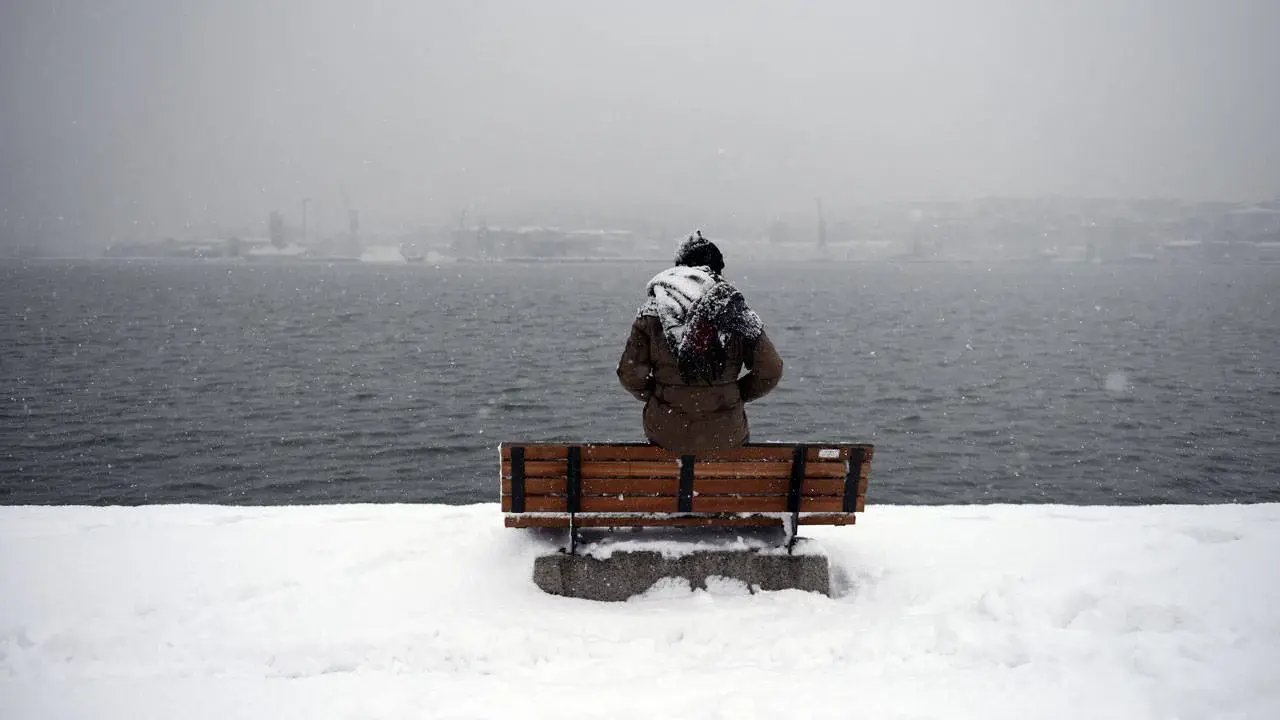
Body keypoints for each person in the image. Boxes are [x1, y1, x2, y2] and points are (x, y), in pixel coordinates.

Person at [617, 231, 783, 455]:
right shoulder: (736, 311)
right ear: (717, 271)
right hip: (726, 434)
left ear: (679, 267)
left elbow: (630, 374)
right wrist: (734, 394)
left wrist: (660, 397)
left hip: (666, 432)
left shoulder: (652, 312)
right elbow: (771, 369)